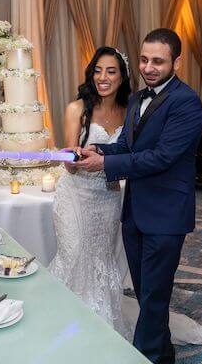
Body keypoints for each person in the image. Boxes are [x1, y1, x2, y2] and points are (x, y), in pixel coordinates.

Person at [75, 28, 202, 364]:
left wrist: (106, 162)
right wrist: (96, 150)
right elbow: (125, 146)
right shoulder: (136, 98)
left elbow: (161, 157)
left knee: (156, 296)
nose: (148, 67)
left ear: (177, 61)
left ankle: (142, 357)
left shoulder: (186, 102)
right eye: (144, 59)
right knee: (148, 294)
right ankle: (163, 356)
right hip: (134, 212)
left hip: (166, 215)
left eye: (158, 61)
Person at [49, 46, 131, 335]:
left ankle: (99, 327)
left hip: (108, 197)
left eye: (111, 71)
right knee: (73, 256)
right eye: (97, 70)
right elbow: (71, 162)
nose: (102, 77)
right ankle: (62, 323)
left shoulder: (129, 110)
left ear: (122, 77)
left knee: (100, 260)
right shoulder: (77, 109)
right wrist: (70, 158)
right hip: (75, 194)